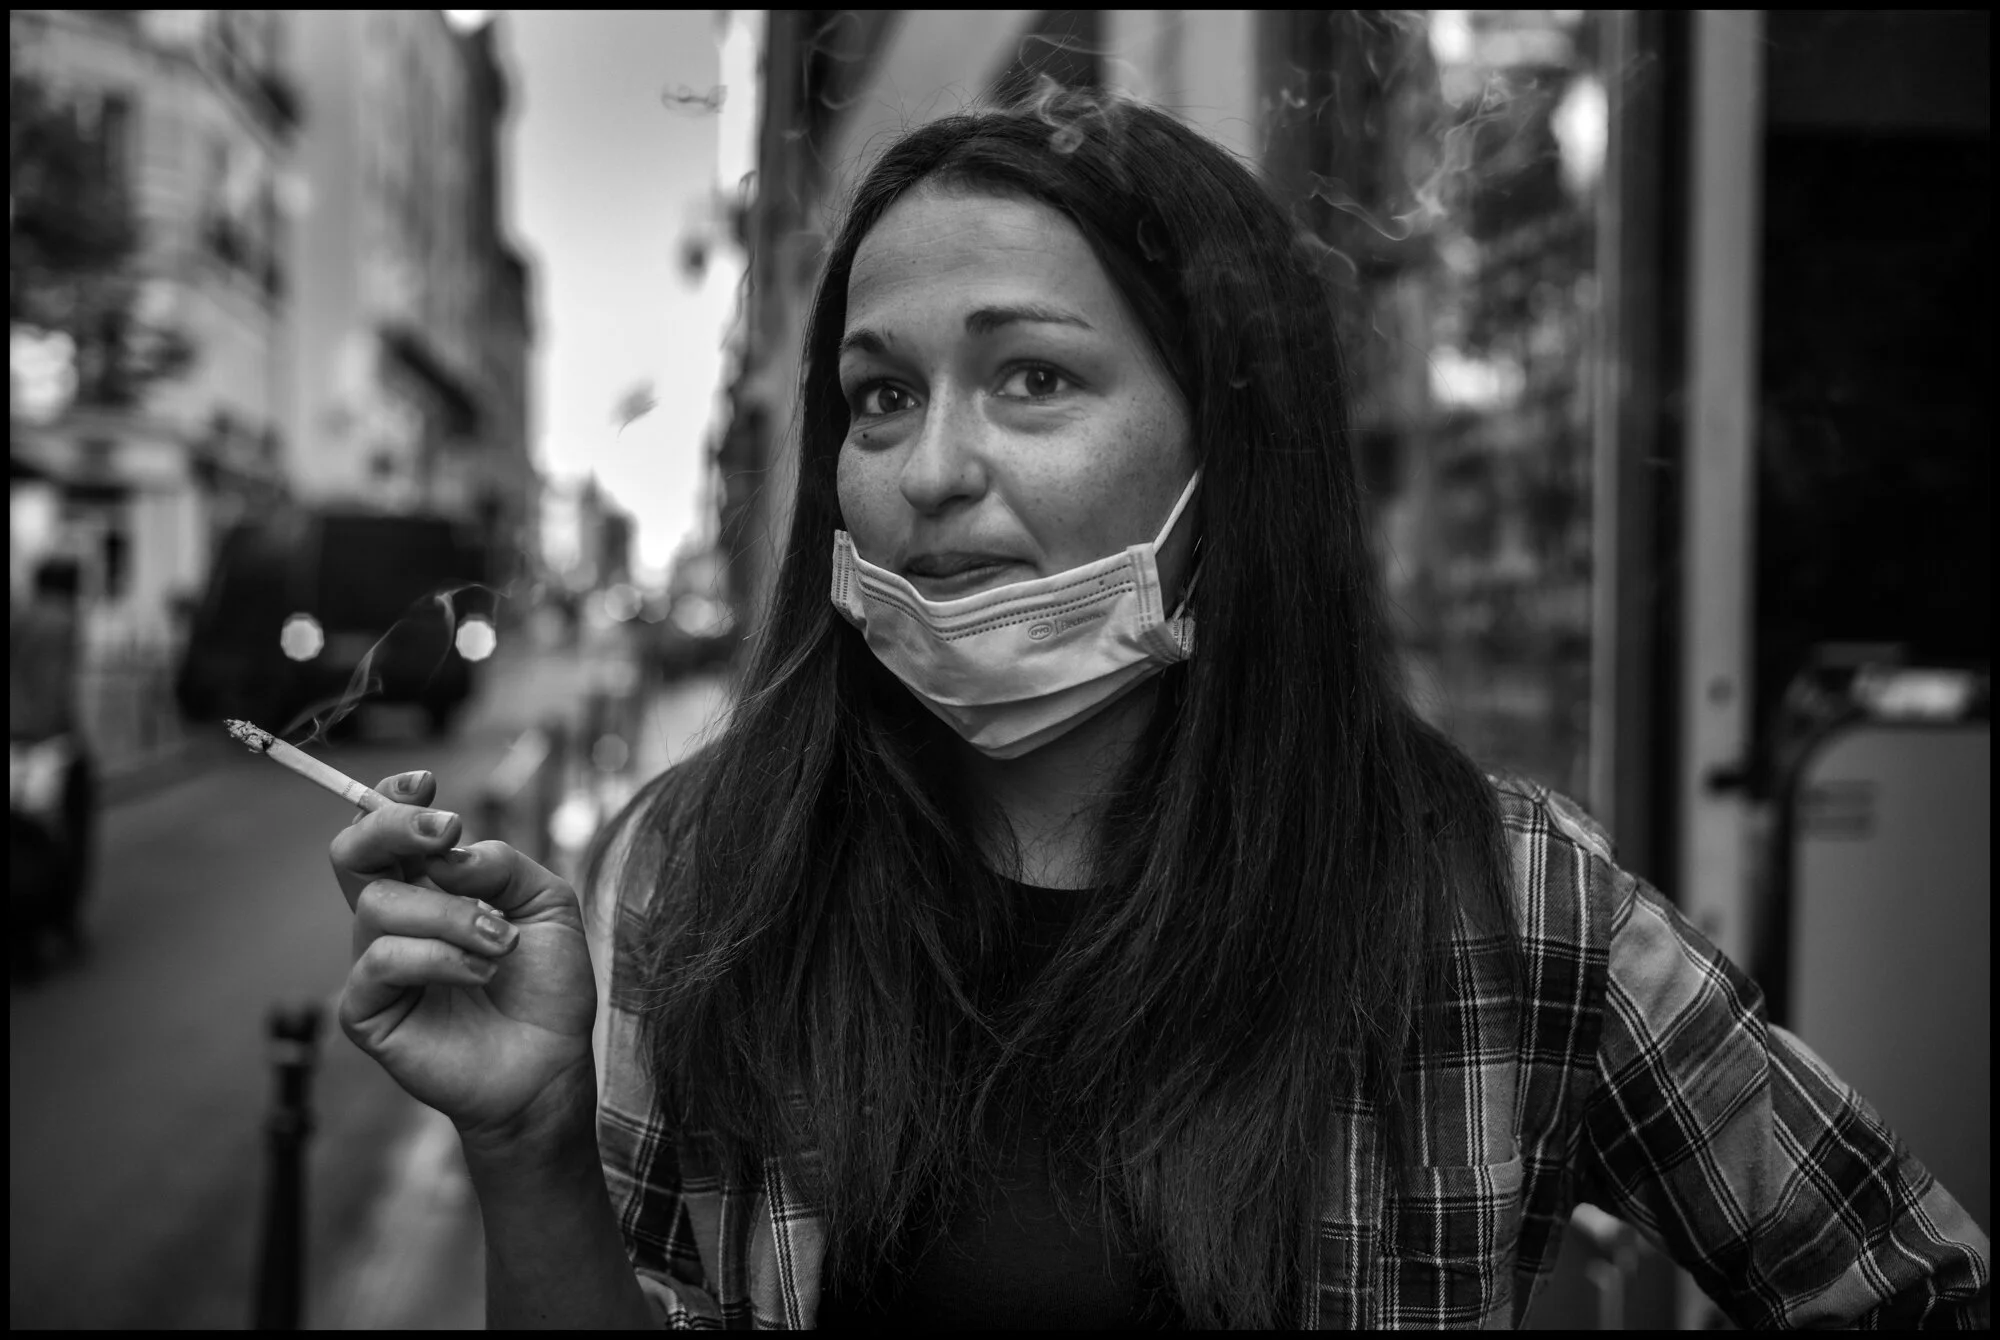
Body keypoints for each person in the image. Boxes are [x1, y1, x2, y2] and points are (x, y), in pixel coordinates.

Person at [325, 90, 1990, 1329]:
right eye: (881, 396)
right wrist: (531, 1144)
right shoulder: (693, 871)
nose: (930, 470)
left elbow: (1904, 1280)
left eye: (1031, 377)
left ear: (1231, 448)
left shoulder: (1508, 904)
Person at [10, 554, 96, 972]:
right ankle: (58, 922)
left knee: (21, 841)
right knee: (62, 842)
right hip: (49, 747)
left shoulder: (21, 615)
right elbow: (54, 689)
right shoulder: (62, 620)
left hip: (15, 743)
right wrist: (67, 743)